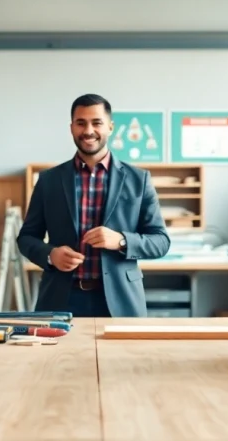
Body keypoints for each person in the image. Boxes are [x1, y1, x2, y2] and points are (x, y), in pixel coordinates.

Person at [16, 93, 171, 317]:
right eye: (81, 123)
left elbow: (161, 241)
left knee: (120, 354)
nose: (88, 130)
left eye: (96, 122)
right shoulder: (49, 180)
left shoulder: (139, 179)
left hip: (121, 301)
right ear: (71, 128)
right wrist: (51, 255)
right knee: (58, 354)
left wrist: (121, 240)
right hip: (61, 299)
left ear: (110, 126)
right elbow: (26, 238)